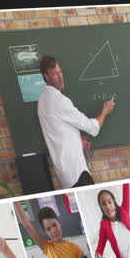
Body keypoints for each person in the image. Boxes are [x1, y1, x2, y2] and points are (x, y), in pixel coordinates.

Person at [37, 56, 115, 189]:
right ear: (46, 76)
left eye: (60, 72)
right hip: (77, 172)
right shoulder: (60, 101)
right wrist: (105, 111)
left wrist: (77, 140)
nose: (60, 77)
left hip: (65, 173)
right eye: (54, 74)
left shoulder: (42, 101)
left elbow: (58, 131)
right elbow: (92, 128)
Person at [13, 201, 89, 258]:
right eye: (48, 229)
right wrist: (16, 203)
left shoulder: (76, 248)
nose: (53, 230)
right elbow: (27, 225)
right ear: (45, 232)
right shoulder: (47, 247)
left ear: (59, 223)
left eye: (54, 225)